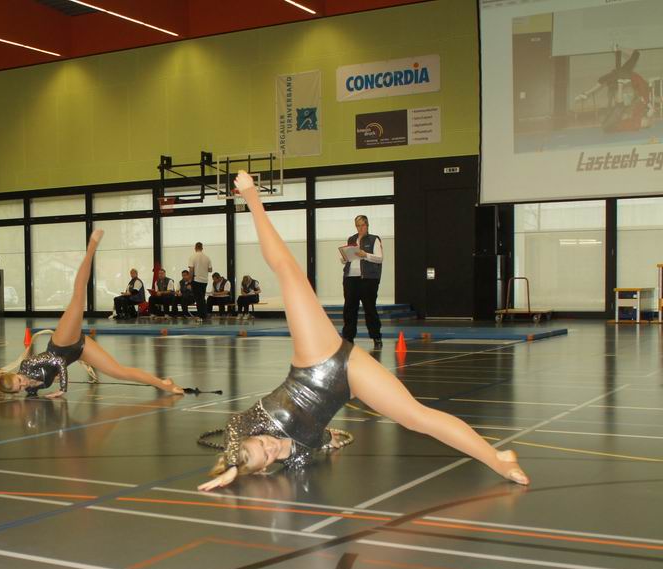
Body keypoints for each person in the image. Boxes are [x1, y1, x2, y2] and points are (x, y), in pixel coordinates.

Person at [197, 171, 529, 491]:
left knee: (288, 272)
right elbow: (314, 438)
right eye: (267, 456)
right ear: (265, 469)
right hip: (350, 379)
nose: (268, 446)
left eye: (260, 443)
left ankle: (252, 198)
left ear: (252, 437)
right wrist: (327, 439)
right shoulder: (296, 456)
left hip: (316, 360)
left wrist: (232, 465)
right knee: (416, 417)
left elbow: (234, 428)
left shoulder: (252, 422)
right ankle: (498, 456)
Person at [0, 230, 183, 398]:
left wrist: (62, 388)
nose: (23, 384)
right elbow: (42, 384)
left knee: (78, 297)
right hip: (79, 351)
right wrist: (45, 381)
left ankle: (91, 247)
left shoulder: (27, 365)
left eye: (19, 380)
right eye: (20, 388)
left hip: (62, 343)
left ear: (16, 374)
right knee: (119, 372)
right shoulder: (30, 388)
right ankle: (164, 383)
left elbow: (58, 360)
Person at [340, 214, 384, 349]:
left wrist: (365, 255)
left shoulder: (374, 239)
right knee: (349, 308)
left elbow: (379, 258)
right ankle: (348, 337)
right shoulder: (351, 239)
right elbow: (348, 258)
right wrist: (344, 258)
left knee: (369, 308)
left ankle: (376, 336)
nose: (360, 228)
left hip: (368, 279)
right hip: (350, 278)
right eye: (358, 226)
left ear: (367, 225)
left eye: (362, 225)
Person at [188, 242, 213, 320]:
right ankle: (204, 314)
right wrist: (203, 268)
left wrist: (189, 280)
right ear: (202, 248)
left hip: (196, 280)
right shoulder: (207, 257)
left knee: (198, 299)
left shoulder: (192, 257)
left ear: (195, 248)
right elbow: (210, 270)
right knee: (202, 298)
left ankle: (200, 315)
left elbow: (191, 270)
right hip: (204, 280)